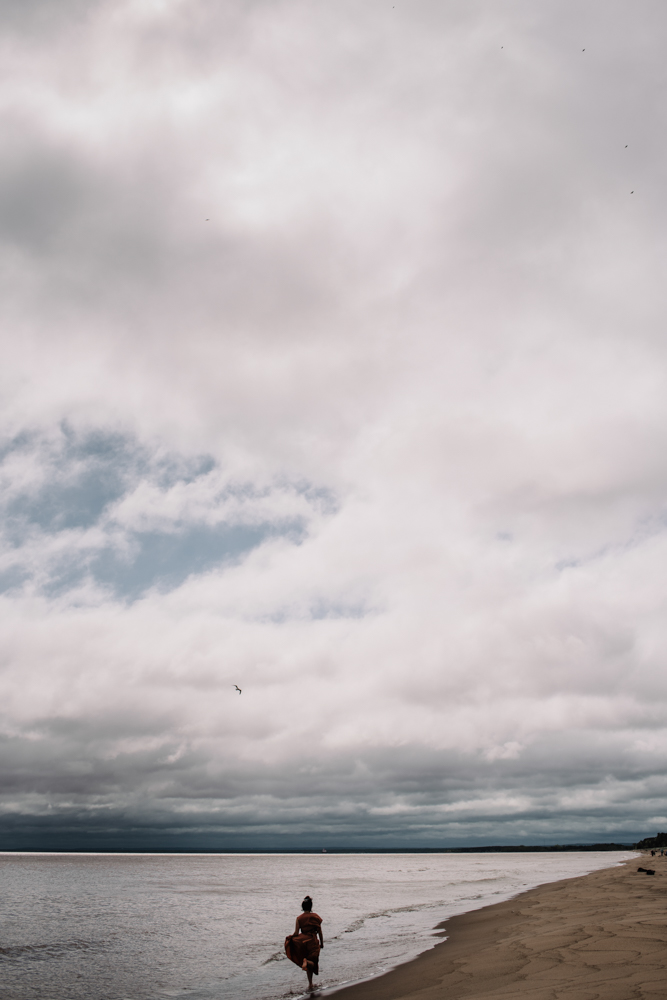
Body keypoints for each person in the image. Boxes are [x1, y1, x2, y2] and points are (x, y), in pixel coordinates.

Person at [284, 895, 324, 989]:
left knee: (309, 965)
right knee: (313, 963)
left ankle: (310, 984)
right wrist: (322, 943)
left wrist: (290, 938)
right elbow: (320, 932)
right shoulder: (316, 917)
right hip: (313, 941)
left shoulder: (299, 918)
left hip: (303, 942)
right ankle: (306, 962)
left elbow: (296, 933)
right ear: (311, 906)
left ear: (302, 907)